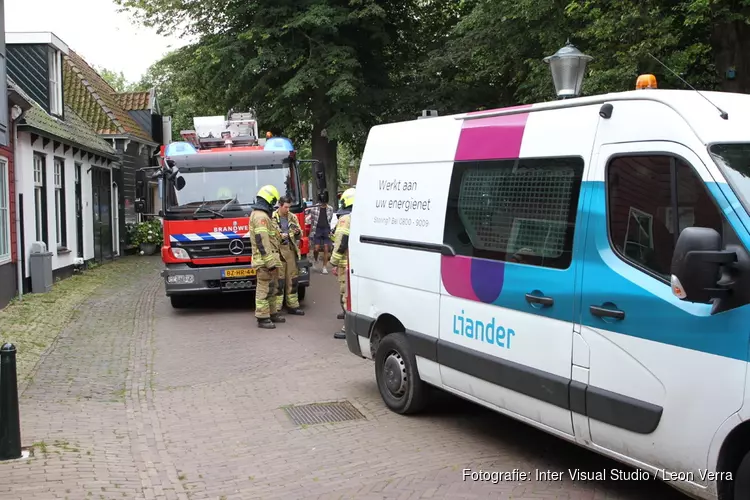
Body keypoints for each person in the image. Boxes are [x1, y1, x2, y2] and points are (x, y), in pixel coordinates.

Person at [249, 184, 285, 329]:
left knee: (272, 288)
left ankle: (272, 313)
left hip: (269, 260)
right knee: (264, 289)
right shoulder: (260, 217)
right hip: (264, 261)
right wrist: (269, 262)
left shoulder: (262, 215)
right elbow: (262, 241)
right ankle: (262, 317)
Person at [272, 196, 305, 316]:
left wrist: (297, 232)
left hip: (290, 250)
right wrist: (281, 236)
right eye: (285, 207)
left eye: (289, 207)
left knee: (292, 279)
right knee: (279, 281)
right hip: (278, 251)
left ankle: (293, 305)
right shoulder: (273, 218)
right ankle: (276, 308)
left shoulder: (292, 217)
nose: (287, 210)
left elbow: (300, 233)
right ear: (280, 205)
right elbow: (272, 235)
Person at [330, 187, 355, 339]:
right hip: (353, 262)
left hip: (345, 263)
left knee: (346, 295)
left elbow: (341, 241)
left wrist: (333, 261)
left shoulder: (345, 219)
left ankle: (348, 329)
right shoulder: (358, 215)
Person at [308, 192, 334, 273]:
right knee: (316, 248)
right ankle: (315, 260)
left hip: (326, 229)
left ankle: (324, 267)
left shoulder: (330, 209)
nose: (323, 204)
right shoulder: (314, 209)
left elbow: (330, 219)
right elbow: (311, 219)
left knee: (326, 248)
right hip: (317, 230)